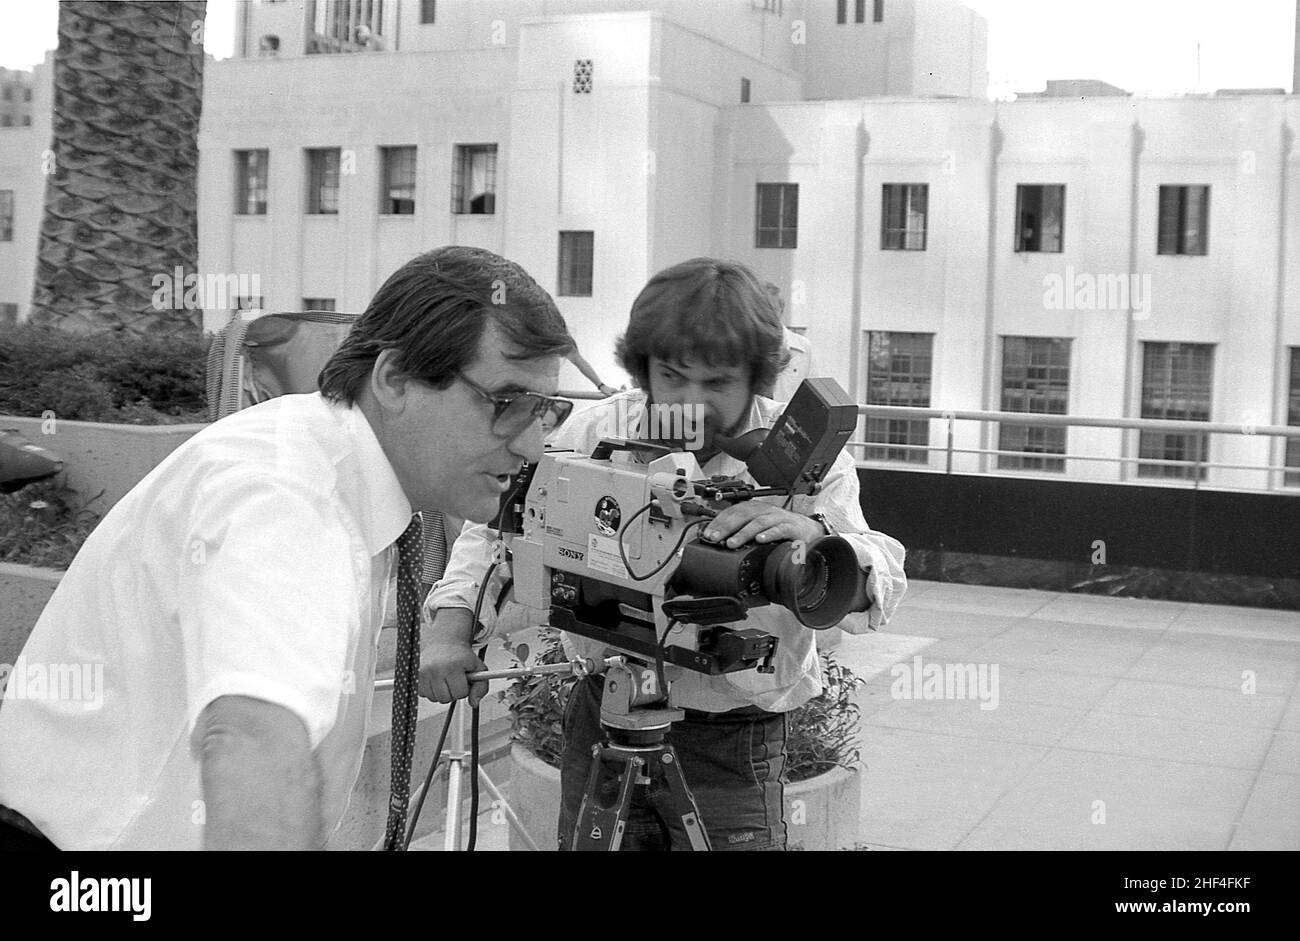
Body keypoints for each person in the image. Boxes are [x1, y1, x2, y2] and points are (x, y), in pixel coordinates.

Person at [0, 246, 575, 850]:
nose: (532, 447)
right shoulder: (288, 497)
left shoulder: (326, 462)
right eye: (509, 405)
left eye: (546, 411)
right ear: (396, 378)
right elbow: (255, 738)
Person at [419, 257, 906, 851]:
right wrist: (449, 633)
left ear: (759, 377)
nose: (692, 402)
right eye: (672, 377)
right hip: (605, 706)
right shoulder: (589, 431)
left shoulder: (803, 458)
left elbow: (877, 576)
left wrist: (815, 540)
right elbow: (495, 532)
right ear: (642, 367)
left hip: (735, 733)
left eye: (718, 382)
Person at [762, 281, 815, 403]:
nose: (767, 315)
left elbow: (814, 394)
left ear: (781, 310)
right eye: (761, 309)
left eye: (772, 309)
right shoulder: (743, 345)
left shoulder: (803, 347)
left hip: (789, 419)